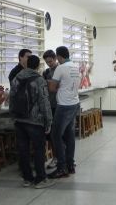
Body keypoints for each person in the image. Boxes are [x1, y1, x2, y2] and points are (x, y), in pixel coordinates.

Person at [11, 54, 56, 188]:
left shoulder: (16, 78)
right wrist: (49, 120)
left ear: (26, 64)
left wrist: (14, 116)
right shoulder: (39, 80)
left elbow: (12, 98)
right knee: (38, 149)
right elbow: (44, 101)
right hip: (35, 121)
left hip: (19, 120)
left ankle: (27, 178)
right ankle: (40, 179)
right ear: (37, 66)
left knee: (23, 150)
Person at [47, 46, 81, 178]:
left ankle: (61, 167)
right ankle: (70, 165)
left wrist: (58, 87)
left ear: (59, 56)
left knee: (56, 135)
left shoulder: (61, 68)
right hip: (74, 103)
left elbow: (51, 88)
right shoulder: (75, 67)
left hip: (64, 105)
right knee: (69, 135)